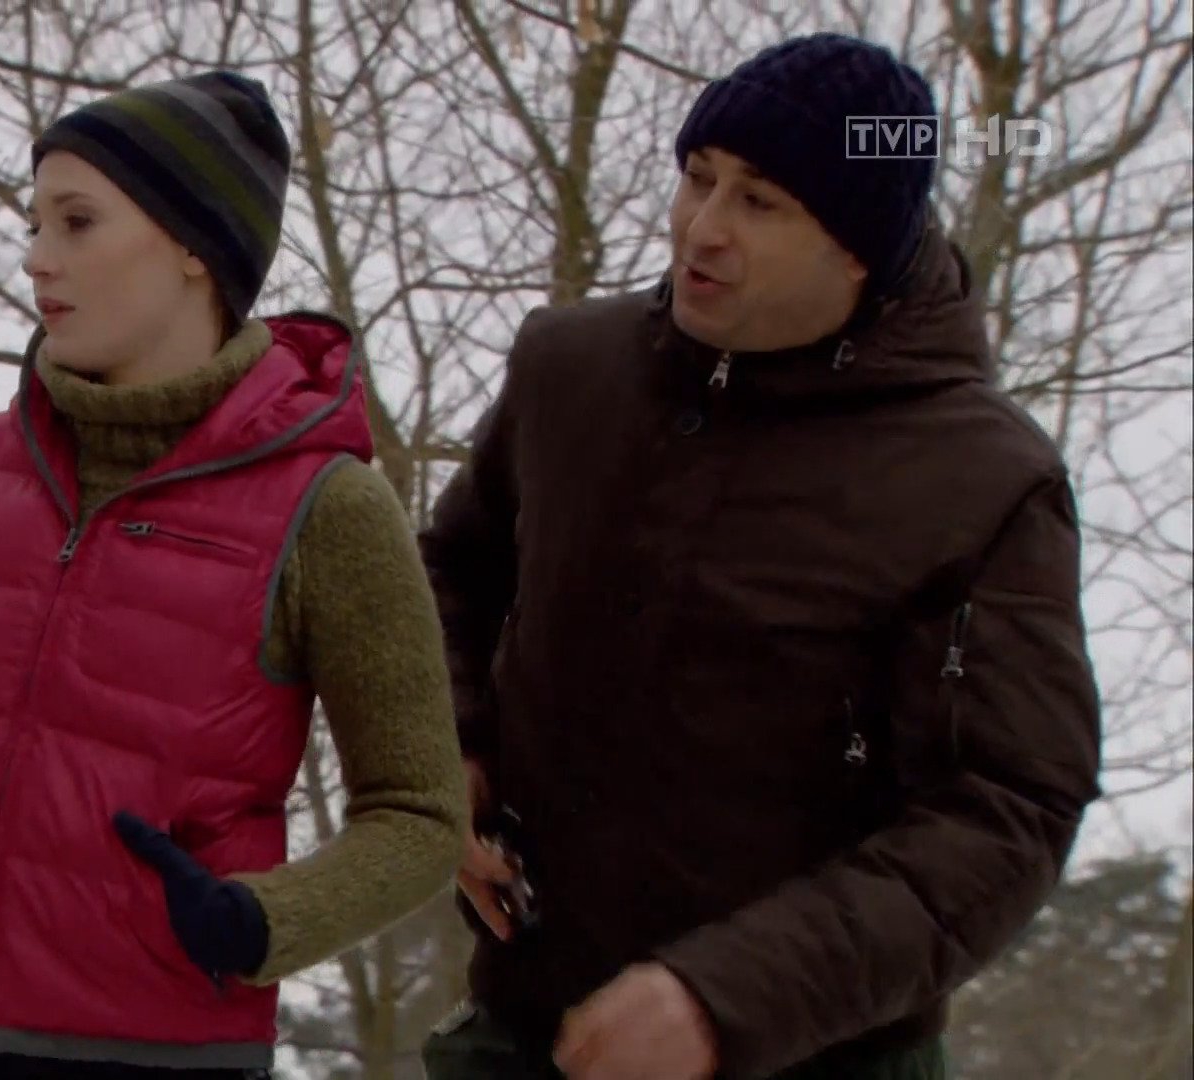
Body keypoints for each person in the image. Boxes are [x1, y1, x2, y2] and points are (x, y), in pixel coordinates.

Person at [417, 32, 1103, 1080]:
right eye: (699, 178)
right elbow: (451, 574)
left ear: (858, 247)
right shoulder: (570, 368)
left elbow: (1008, 809)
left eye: (760, 202)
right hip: (525, 1028)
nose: (704, 228)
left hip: (821, 1057)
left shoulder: (983, 482)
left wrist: (723, 999)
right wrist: (444, 752)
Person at [0, 69, 468, 1079]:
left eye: (77, 221)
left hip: (154, 1055)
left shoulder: (328, 508)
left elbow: (419, 816)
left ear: (192, 245)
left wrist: (257, 921)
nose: (36, 258)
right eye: (34, 224)